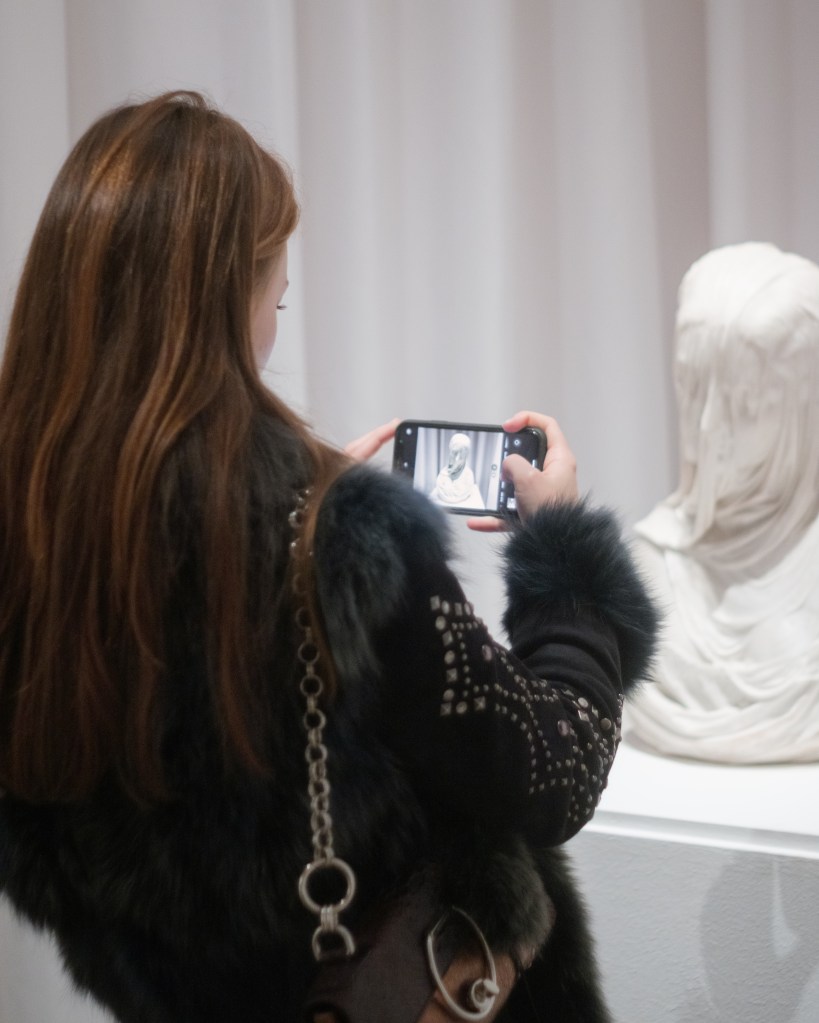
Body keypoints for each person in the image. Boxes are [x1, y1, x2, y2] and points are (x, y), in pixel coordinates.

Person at [0, 91, 657, 1023]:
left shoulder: (38, 530)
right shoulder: (338, 547)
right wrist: (566, 565)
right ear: (231, 296)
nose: (275, 311)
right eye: (276, 286)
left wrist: (296, 508)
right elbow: (553, 774)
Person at [627, 241, 819, 763]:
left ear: (806, 408)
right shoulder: (650, 569)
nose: (708, 428)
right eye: (692, 389)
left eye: (746, 402)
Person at [429, 431, 485, 508]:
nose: (457, 458)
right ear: (450, 451)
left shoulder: (468, 476)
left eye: (462, 454)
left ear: (466, 455)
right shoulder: (442, 476)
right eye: (455, 453)